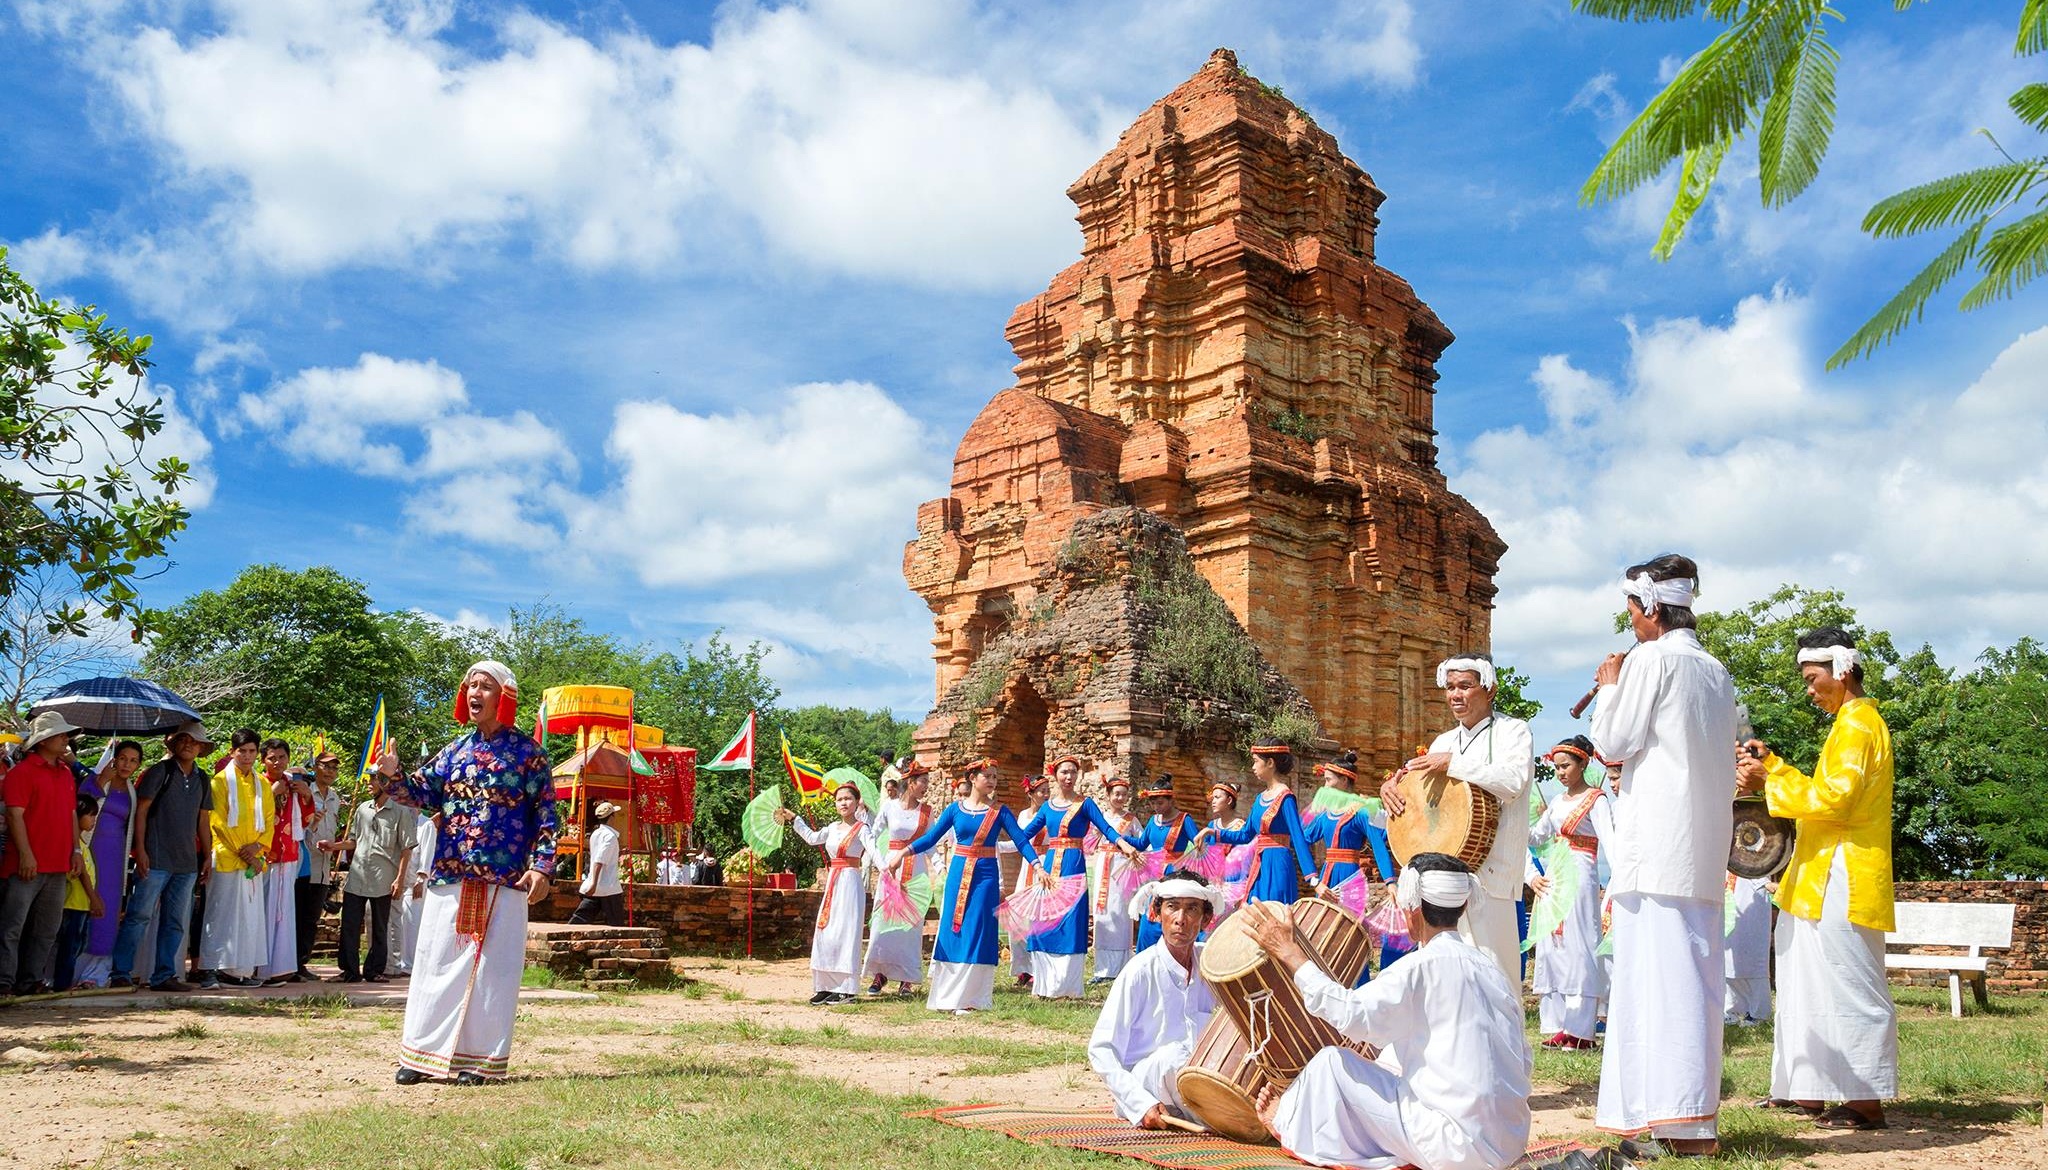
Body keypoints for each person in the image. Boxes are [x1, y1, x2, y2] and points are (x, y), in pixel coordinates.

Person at [1587, 554, 1737, 1156]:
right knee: (1692, 982)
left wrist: (1609, 687)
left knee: (1656, 985)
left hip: (1656, 846)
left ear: (1650, 608)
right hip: (1700, 847)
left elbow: (1612, 742)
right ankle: (1683, 1121)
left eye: (1630, 609)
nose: (1630, 620)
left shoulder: (1651, 660)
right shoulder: (1716, 669)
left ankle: (1676, 1124)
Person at [1249, 853, 1532, 1170]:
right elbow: (1523, 1058)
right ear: (1464, 906)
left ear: (1413, 909)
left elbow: (1350, 1015)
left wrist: (1290, 952)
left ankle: (1285, 1121)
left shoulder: (1418, 967)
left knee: (1331, 1064)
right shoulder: (1492, 971)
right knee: (1390, 1057)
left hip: (1455, 1149)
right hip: (1510, 1141)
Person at [1738, 628, 1897, 1131]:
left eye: (1812, 679)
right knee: (1802, 982)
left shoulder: (1860, 725)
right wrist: (1774, 766)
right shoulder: (1848, 725)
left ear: (1842, 670)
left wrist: (1769, 780)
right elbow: (1821, 792)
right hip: (1818, 874)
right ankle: (1805, 1090)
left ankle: (1865, 1100)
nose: (1809, 690)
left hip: (1846, 873)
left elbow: (1836, 802)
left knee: (1849, 985)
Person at [382, 660, 558, 1084]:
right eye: (470, 686)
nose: (474, 692)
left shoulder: (529, 754)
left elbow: (547, 815)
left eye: (484, 686)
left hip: (504, 876)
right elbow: (419, 792)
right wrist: (392, 774)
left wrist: (542, 866)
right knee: (435, 961)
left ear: (504, 697)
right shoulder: (455, 751)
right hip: (451, 872)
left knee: (493, 972)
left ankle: (479, 1062)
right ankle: (421, 1054)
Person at [1379, 655, 1534, 988]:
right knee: (1443, 977)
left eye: (1465, 686)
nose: (1455, 695)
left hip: (1492, 876)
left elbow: (1513, 782)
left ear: (1490, 689)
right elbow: (1418, 794)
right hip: (1442, 882)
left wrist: (1454, 762)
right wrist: (1392, 787)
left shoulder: (1513, 731)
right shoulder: (1443, 741)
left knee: (1495, 977)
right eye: (1450, 687)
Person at [885, 759, 1039, 1014]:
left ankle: (973, 998)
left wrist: (1038, 866)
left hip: (986, 875)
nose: (992, 780)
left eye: (994, 776)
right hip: (958, 872)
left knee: (979, 929)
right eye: (987, 776)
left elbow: (1021, 841)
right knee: (953, 927)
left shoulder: (999, 811)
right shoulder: (955, 810)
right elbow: (931, 838)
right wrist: (903, 853)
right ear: (972, 778)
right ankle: (948, 997)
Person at [1088, 871, 1223, 1127]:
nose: (1180, 919)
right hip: (1146, 1083)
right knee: (1174, 1057)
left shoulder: (1211, 963)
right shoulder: (1139, 971)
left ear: (1205, 919)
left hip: (1197, 1079)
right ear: (1156, 913)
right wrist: (1139, 1103)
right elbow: (1101, 1049)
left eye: (1191, 909)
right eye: (1172, 907)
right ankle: (1227, 1119)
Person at [1020, 756, 1140, 999]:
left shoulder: (1085, 804)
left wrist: (1123, 845)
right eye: (1064, 772)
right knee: (1045, 920)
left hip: (1073, 866)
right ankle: (1043, 984)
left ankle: (1068, 987)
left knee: (1071, 920)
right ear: (1055, 775)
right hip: (1049, 868)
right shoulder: (1047, 807)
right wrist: (1035, 863)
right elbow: (1023, 836)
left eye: (1073, 772)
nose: (1069, 777)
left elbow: (1106, 828)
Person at [110, 723, 215, 991]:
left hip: (187, 863)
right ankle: (120, 972)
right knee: (138, 917)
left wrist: (207, 855)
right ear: (174, 743)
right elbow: (141, 811)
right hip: (155, 858)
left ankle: (164, 975)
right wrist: (141, 850)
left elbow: (203, 821)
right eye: (183, 739)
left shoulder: (203, 778)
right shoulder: (160, 771)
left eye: (194, 741)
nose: (188, 744)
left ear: (201, 748)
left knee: (176, 922)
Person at [1526, 736, 1613, 1049]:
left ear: (1583, 764)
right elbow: (1536, 837)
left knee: (1580, 944)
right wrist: (1514, 815)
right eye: (1557, 767)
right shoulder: (1557, 803)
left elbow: (1610, 842)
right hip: (1555, 874)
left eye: (1566, 766)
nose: (1560, 772)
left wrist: (1618, 883)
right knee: (1553, 945)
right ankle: (1559, 1023)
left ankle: (1581, 1030)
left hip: (1581, 872)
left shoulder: (1596, 800)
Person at [0, 711, 84, 996]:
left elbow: (71, 815)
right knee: (12, 927)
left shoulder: (66, 773)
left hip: (58, 864)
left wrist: (76, 850)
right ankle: (4, 982)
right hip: (26, 864)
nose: (66, 739)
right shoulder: (21, 773)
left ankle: (31, 980)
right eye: (60, 734)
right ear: (43, 740)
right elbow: (14, 815)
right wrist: (25, 854)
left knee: (47, 929)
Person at [780, 781, 869, 1004]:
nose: (844, 803)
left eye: (848, 799)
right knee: (826, 931)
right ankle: (826, 986)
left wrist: (889, 870)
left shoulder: (862, 829)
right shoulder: (831, 828)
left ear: (857, 802)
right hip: (833, 882)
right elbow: (812, 838)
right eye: (839, 799)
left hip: (850, 883)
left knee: (846, 932)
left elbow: (875, 852)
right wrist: (794, 818)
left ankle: (847, 989)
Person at [327, 771, 416, 984]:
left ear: (385, 782)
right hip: (357, 876)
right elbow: (354, 841)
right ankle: (349, 971)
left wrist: (400, 879)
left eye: (373, 779)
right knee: (349, 925)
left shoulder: (401, 812)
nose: (369, 784)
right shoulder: (362, 809)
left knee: (380, 927)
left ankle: (374, 970)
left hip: (383, 878)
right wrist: (333, 846)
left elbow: (407, 849)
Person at [197, 729, 270, 989]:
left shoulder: (263, 784)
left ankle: (239, 971)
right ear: (232, 752)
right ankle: (210, 969)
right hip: (227, 857)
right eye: (242, 751)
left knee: (248, 917)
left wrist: (257, 849)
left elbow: (269, 821)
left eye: (252, 751)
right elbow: (217, 823)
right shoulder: (219, 782)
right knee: (219, 914)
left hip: (253, 860)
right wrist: (245, 852)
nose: (247, 756)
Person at [1206, 739, 1317, 905]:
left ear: (1270, 763)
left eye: (1256, 761)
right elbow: (1245, 835)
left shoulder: (1286, 798)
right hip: (1259, 865)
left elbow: (1298, 838)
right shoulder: (1260, 798)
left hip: (1278, 864)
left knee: (1274, 910)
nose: (1253, 767)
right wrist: (1213, 833)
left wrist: (1312, 878)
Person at [74, 740, 144, 988]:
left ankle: (95, 974)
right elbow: (80, 809)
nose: (126, 764)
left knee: (108, 911)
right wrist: (102, 780)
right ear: (114, 759)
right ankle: (70, 970)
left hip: (115, 857)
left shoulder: (132, 791)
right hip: (91, 851)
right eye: (122, 758)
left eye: (133, 761)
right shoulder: (94, 781)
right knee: (82, 906)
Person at [862, 757, 932, 996]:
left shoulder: (927, 812)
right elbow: (871, 835)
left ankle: (906, 979)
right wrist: (880, 863)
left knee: (911, 925)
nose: (926, 786)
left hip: (916, 870)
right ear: (911, 783)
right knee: (883, 922)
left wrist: (941, 869)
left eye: (927, 781)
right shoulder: (889, 807)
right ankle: (879, 973)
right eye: (923, 781)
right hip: (891, 868)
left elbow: (931, 844)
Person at [256, 739, 315, 984]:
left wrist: (307, 795)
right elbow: (252, 815)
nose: (277, 762)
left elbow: (306, 820)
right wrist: (272, 793)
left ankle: (280, 968)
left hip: (289, 856)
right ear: (263, 761)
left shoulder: (294, 786)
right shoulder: (258, 783)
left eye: (282, 757)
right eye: (272, 758)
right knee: (262, 911)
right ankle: (258, 968)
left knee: (284, 913)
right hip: (262, 857)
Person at [1132, 778, 1199, 955]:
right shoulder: (1153, 821)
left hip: (1174, 875)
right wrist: (1117, 838)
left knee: (1171, 916)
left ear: (1171, 800)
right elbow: (1141, 843)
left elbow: (1199, 843)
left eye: (1160, 803)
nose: (1156, 807)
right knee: (1149, 922)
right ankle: (1146, 959)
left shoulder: (1184, 820)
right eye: (1153, 803)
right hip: (1154, 876)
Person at [297, 751, 347, 979]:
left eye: (334, 768)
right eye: (326, 766)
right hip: (303, 865)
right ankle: (292, 964)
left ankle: (302, 963)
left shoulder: (334, 798)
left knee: (312, 918)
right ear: (315, 767)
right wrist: (314, 825)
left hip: (324, 867)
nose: (330, 772)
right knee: (298, 916)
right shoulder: (306, 792)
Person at [1091, 774, 1142, 983]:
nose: (1120, 798)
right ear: (1108, 795)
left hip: (1122, 867)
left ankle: (1121, 967)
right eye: (1116, 794)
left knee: (1121, 912)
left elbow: (1142, 842)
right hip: (1104, 864)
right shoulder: (1100, 818)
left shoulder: (1131, 820)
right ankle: (1101, 969)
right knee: (1101, 912)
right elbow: (1089, 840)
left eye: (1124, 795)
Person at [53, 795, 104, 990]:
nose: (93, 820)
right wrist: (94, 898)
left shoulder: (83, 844)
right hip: (72, 904)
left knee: (78, 945)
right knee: (69, 945)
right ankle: (62, 984)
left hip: (82, 905)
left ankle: (66, 982)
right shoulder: (73, 847)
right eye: (90, 815)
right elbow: (81, 874)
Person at [389, 813, 439, 975]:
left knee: (412, 923)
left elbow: (427, 854)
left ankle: (410, 965)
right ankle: (396, 962)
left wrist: (421, 878)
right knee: (397, 923)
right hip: (398, 880)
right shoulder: (399, 821)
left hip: (415, 883)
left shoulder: (426, 825)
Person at [1723, 874, 1772, 1026]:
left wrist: (1764, 883)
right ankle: (1732, 1009)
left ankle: (1758, 1013)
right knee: (1729, 958)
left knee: (1753, 955)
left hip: (1755, 888)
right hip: (1729, 892)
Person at [569, 802, 624, 926]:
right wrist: (594, 883)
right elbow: (599, 860)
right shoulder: (610, 836)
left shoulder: (596, 834)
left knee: (581, 918)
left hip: (597, 885)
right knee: (616, 923)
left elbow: (601, 857)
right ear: (611, 817)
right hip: (608, 886)